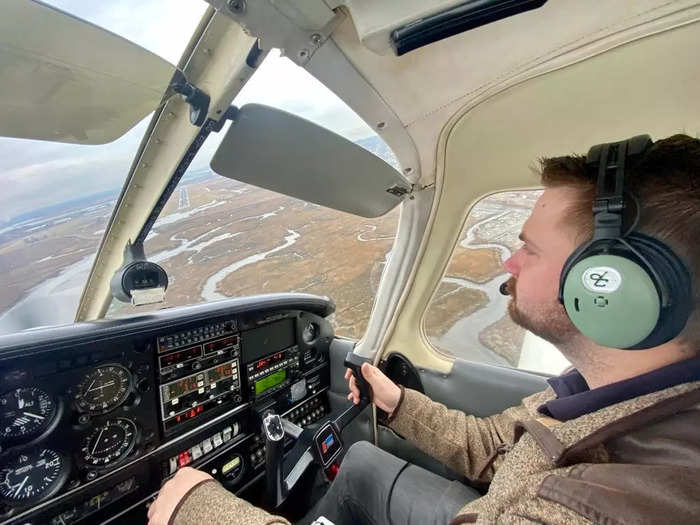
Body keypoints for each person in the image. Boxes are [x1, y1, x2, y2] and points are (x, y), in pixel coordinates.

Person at [147, 134, 700, 525]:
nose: (510, 264)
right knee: (360, 463)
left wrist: (199, 510)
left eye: (529, 248)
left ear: (615, 288)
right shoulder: (605, 395)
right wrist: (397, 404)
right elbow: (496, 448)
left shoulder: (620, 500)